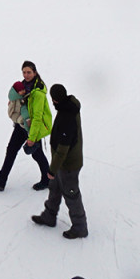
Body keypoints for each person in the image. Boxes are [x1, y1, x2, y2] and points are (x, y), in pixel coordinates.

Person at [32, 84, 88, 238]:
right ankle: (49, 216)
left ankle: (80, 227)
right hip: (61, 163)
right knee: (55, 188)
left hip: (68, 164)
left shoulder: (66, 117)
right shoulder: (68, 105)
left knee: (71, 194)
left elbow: (63, 149)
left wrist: (52, 169)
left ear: (54, 100)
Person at [0, 61, 54, 192]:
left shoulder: (38, 92)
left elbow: (37, 116)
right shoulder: (23, 86)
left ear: (35, 72)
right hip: (21, 124)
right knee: (11, 149)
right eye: (24, 72)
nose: (26, 75)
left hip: (32, 127)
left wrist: (32, 137)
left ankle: (47, 180)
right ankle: (1, 180)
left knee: (37, 154)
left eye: (29, 72)